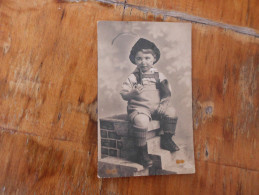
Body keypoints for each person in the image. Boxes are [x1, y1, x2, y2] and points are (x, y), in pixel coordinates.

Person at [120, 38, 179, 168]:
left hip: (156, 107)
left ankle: (167, 139)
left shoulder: (159, 76)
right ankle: (141, 152)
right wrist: (132, 93)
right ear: (134, 60)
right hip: (140, 109)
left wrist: (163, 104)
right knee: (141, 121)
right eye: (139, 59)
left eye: (147, 58)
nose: (143, 62)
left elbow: (167, 92)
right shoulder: (133, 77)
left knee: (172, 112)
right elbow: (124, 94)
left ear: (154, 58)